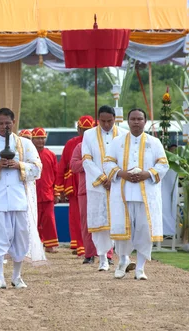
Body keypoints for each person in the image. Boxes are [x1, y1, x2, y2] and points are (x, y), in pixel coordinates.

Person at [0, 108, 44, 289]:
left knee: (21, 237)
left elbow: (37, 168)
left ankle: (17, 276)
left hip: (20, 200)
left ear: (14, 123)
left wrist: (19, 165)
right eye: (1, 123)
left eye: (8, 123)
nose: (4, 127)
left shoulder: (26, 144)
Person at [104, 109, 169, 280]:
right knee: (122, 231)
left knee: (144, 232)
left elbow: (163, 164)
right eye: (132, 119)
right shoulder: (117, 142)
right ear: (127, 121)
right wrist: (121, 173)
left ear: (145, 121)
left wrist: (147, 174)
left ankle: (140, 268)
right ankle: (122, 261)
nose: (136, 122)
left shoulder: (154, 142)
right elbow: (107, 162)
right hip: (122, 194)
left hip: (146, 196)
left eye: (139, 119)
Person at [79, 105, 127, 270]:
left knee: (119, 221)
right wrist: (102, 178)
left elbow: (125, 159)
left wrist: (112, 177)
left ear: (115, 119)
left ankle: (123, 257)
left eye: (110, 121)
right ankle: (103, 259)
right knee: (99, 223)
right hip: (97, 186)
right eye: (103, 121)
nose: (106, 124)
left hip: (117, 184)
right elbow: (86, 159)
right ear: (98, 120)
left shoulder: (123, 134)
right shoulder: (88, 134)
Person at [55, 115, 94, 257]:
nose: (85, 133)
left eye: (88, 130)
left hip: (94, 184)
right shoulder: (72, 144)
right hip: (74, 185)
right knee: (76, 217)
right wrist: (59, 188)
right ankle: (81, 245)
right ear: (78, 129)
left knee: (95, 216)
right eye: (83, 130)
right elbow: (62, 166)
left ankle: (95, 247)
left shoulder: (98, 143)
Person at [31, 127, 59, 253]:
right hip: (32, 194)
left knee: (49, 219)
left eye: (42, 138)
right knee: (33, 220)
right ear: (33, 139)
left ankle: (49, 245)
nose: (41, 141)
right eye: (38, 138)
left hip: (47, 194)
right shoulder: (28, 155)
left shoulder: (50, 154)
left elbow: (56, 174)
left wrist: (56, 192)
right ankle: (33, 245)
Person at [70, 143, 96, 264]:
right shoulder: (80, 146)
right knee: (86, 223)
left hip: (104, 188)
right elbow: (73, 166)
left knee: (106, 222)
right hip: (85, 190)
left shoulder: (106, 144)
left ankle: (107, 255)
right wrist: (86, 162)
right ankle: (89, 254)